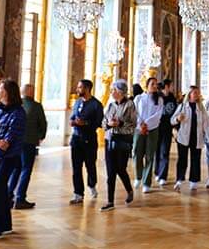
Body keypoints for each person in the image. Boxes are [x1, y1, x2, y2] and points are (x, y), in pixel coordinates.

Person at [0, 79, 26, 241]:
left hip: (9, 156)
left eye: (0, 88)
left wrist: (0, 149)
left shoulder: (19, 112)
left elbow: (13, 135)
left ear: (7, 92)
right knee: (1, 190)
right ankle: (7, 225)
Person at [101, 80, 138, 210]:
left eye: (114, 90)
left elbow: (133, 124)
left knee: (120, 169)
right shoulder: (111, 105)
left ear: (121, 92)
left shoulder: (130, 105)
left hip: (123, 140)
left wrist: (120, 124)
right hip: (109, 140)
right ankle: (110, 202)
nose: (112, 92)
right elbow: (103, 121)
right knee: (111, 171)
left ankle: (129, 190)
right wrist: (108, 124)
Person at [10, 84, 46, 210]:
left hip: (15, 142)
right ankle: (20, 198)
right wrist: (41, 136)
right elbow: (43, 123)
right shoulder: (36, 106)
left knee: (16, 168)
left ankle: (9, 196)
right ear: (31, 92)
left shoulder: (16, 105)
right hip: (29, 142)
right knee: (26, 169)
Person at [68, 79, 103, 204]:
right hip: (76, 139)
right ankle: (78, 193)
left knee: (90, 165)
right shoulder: (77, 102)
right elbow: (73, 116)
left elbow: (99, 123)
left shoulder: (96, 105)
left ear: (87, 88)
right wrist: (73, 121)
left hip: (89, 140)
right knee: (76, 167)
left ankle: (92, 185)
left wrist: (85, 123)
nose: (78, 89)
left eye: (80, 87)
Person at [171, 86, 209, 191]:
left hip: (196, 137)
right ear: (189, 94)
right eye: (194, 93)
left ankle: (194, 181)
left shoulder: (201, 108)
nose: (197, 94)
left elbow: (206, 124)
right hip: (183, 137)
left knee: (195, 159)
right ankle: (179, 179)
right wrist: (177, 119)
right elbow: (172, 120)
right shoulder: (182, 106)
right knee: (182, 160)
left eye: (198, 93)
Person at [134, 77, 164, 193]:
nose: (155, 86)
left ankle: (147, 182)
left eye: (156, 84)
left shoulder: (159, 99)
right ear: (147, 85)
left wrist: (146, 124)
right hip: (139, 129)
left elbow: (158, 115)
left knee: (150, 156)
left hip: (152, 129)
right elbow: (135, 112)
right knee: (137, 152)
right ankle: (138, 176)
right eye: (152, 84)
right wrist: (141, 124)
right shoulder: (139, 98)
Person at [154, 79, 178, 186]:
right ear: (167, 86)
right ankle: (157, 172)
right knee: (156, 151)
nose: (173, 87)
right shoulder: (157, 97)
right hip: (156, 127)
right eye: (171, 85)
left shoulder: (172, 98)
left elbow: (175, 112)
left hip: (167, 128)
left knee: (165, 151)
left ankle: (163, 175)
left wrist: (176, 127)